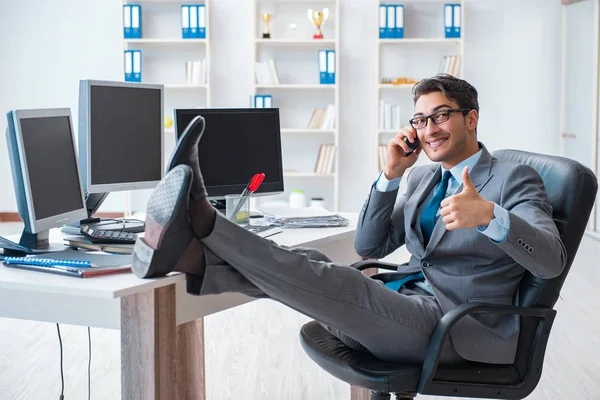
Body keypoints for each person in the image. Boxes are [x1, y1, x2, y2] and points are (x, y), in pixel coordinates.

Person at [131, 74, 566, 366]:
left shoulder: (513, 178)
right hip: (399, 309)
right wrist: (389, 178)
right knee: (315, 260)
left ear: (470, 118)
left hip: (454, 331)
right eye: (421, 119)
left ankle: (201, 221)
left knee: (340, 280)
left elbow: (549, 261)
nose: (429, 128)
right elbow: (370, 246)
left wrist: (491, 216)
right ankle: (190, 252)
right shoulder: (420, 179)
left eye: (441, 116)